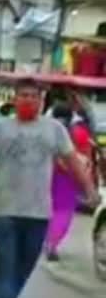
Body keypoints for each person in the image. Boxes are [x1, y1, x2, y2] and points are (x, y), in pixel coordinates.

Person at [0, 78, 99, 298]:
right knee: (5, 261)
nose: (29, 100)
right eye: (23, 95)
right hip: (4, 207)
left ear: (42, 101)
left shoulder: (54, 129)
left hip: (38, 209)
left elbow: (72, 161)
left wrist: (89, 189)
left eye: (34, 96)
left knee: (25, 263)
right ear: (14, 98)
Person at [45, 103, 93, 262]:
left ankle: (46, 240)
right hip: (69, 178)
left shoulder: (48, 130)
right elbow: (86, 157)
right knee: (63, 213)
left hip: (48, 176)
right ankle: (53, 243)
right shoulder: (80, 133)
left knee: (48, 210)